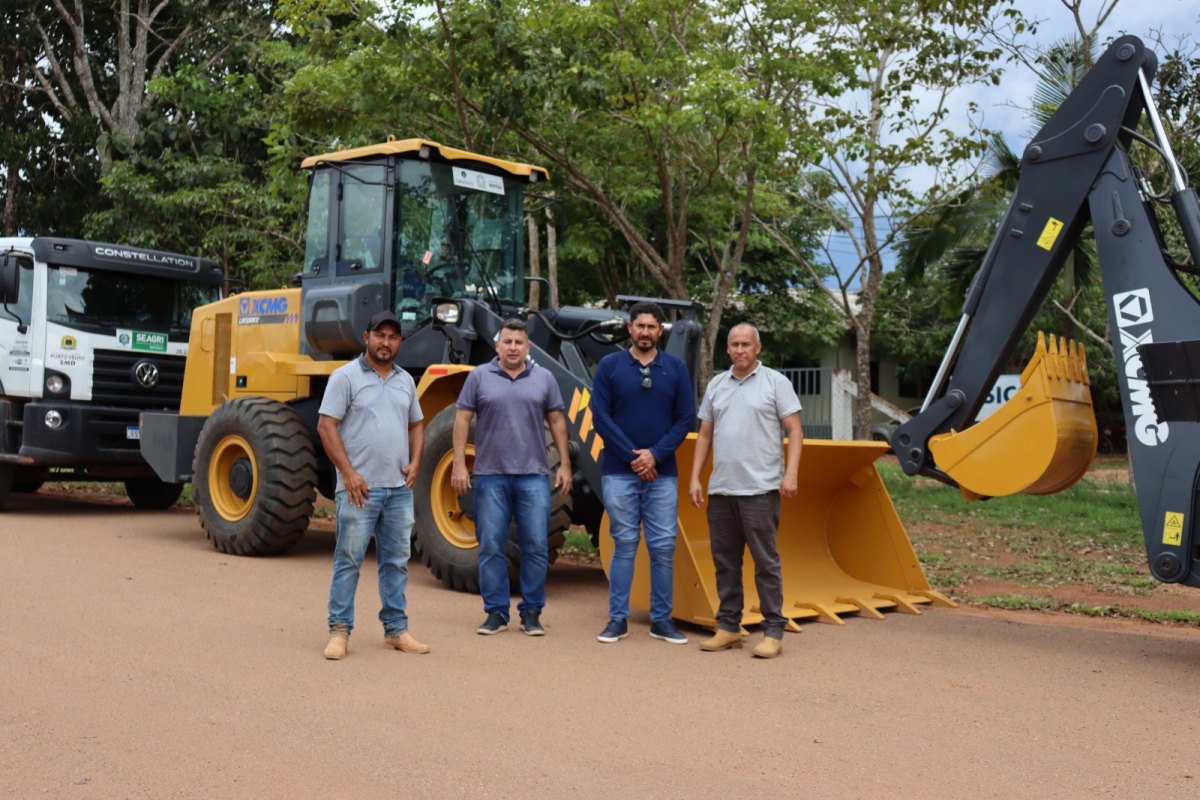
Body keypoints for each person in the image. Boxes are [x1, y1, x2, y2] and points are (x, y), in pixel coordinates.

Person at [318, 311, 428, 660]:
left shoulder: (405, 381)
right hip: (359, 489)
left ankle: (396, 631)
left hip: (398, 489)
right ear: (366, 337)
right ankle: (339, 631)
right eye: (379, 335)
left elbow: (417, 424)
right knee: (349, 559)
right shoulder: (345, 377)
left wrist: (416, 461)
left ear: (399, 342)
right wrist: (348, 473)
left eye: (393, 337)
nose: (386, 342)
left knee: (396, 561)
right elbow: (326, 426)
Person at [688, 323, 802, 659]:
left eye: (746, 344)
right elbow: (705, 435)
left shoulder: (775, 383)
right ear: (727, 349)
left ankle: (773, 631)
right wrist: (696, 477)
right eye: (734, 344)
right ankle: (728, 627)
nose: (740, 350)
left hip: (760, 490)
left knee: (765, 562)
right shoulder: (717, 385)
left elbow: (795, 431)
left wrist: (791, 474)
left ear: (758, 348)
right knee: (725, 562)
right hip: (722, 489)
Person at [452, 319, 573, 636]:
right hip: (489, 476)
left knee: (535, 546)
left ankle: (531, 612)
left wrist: (565, 465)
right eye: (507, 342)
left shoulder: (544, 378)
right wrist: (458, 465)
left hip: (533, 476)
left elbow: (558, 421)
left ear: (528, 347)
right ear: (498, 345)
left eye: (519, 343)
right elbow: (462, 419)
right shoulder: (479, 377)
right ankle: (495, 612)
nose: (513, 347)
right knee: (491, 546)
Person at [591, 301, 695, 645]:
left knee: (663, 547)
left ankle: (661, 620)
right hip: (618, 473)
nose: (646, 332)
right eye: (640, 326)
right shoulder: (610, 366)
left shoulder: (676, 369)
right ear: (630, 328)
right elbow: (600, 416)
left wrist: (655, 455)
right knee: (625, 544)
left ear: (660, 330)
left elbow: (684, 418)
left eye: (652, 327)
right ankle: (617, 619)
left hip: (663, 475)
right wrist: (634, 457)